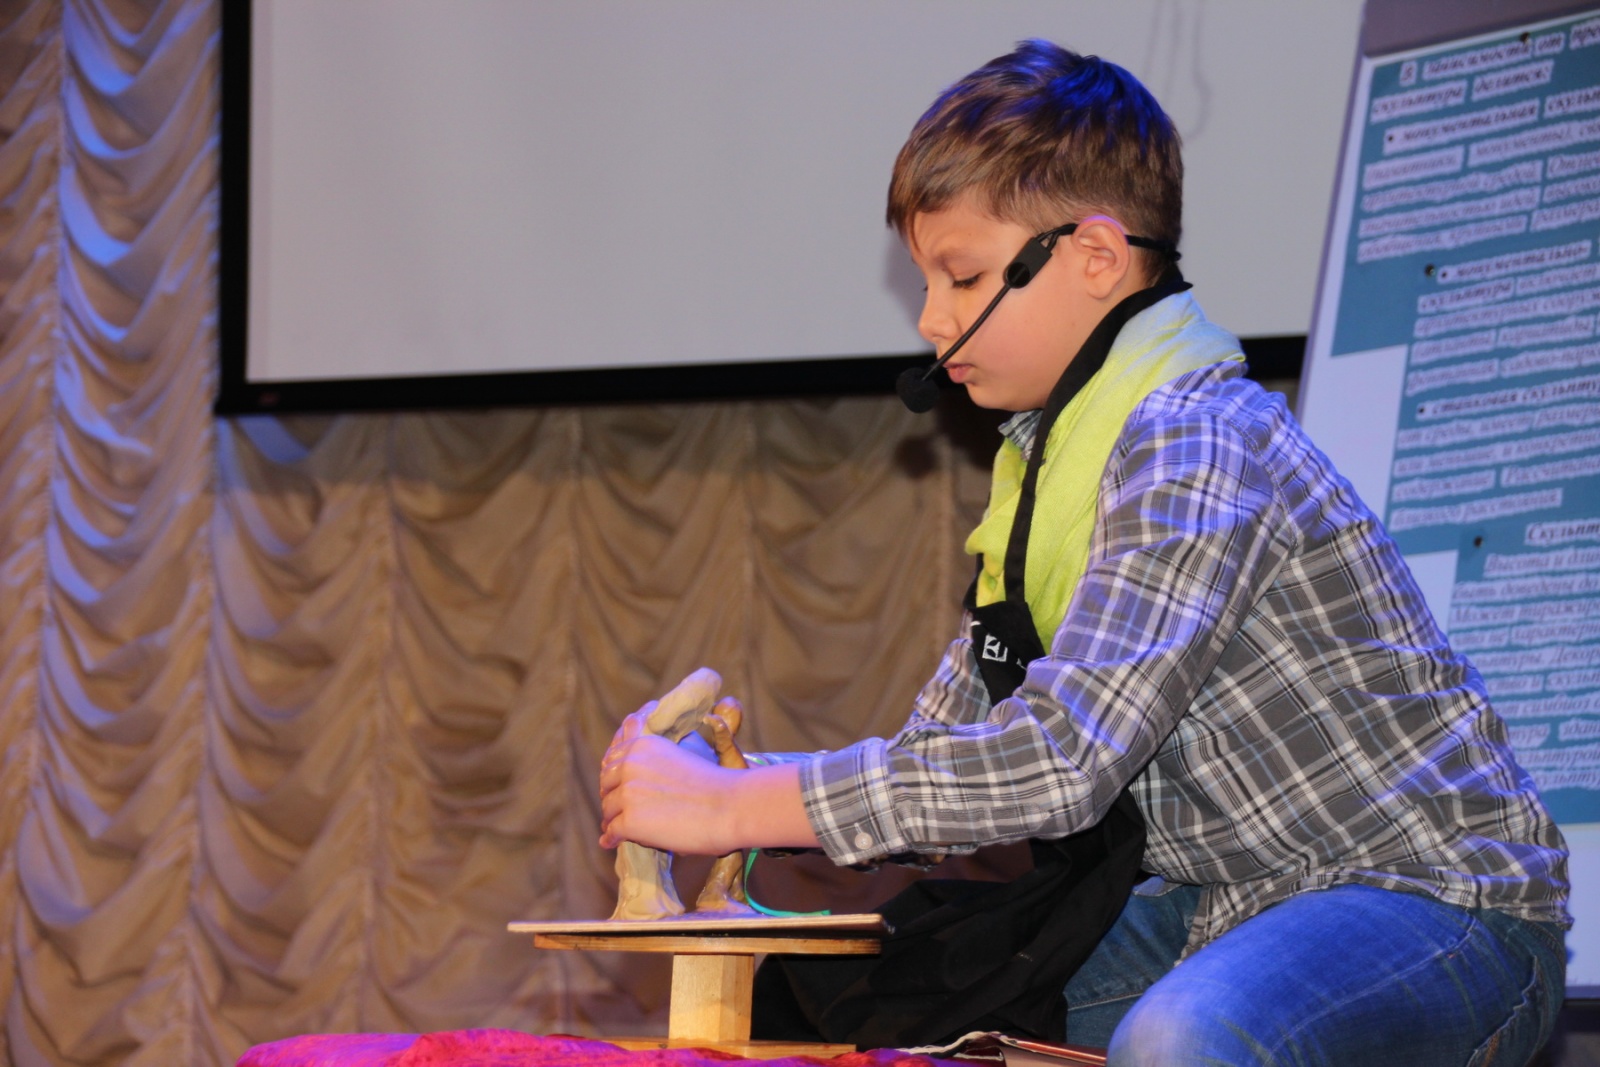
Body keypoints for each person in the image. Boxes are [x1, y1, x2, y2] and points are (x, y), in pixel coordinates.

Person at [598, 39, 1571, 1067]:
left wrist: (731, 806)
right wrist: (729, 782)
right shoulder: (1047, 473)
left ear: (1096, 258)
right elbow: (952, 761)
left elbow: (1058, 763)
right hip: (1217, 903)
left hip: (1435, 904)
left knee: (1185, 1036)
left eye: (961, 275)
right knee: (898, 1008)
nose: (929, 318)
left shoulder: (1195, 440)